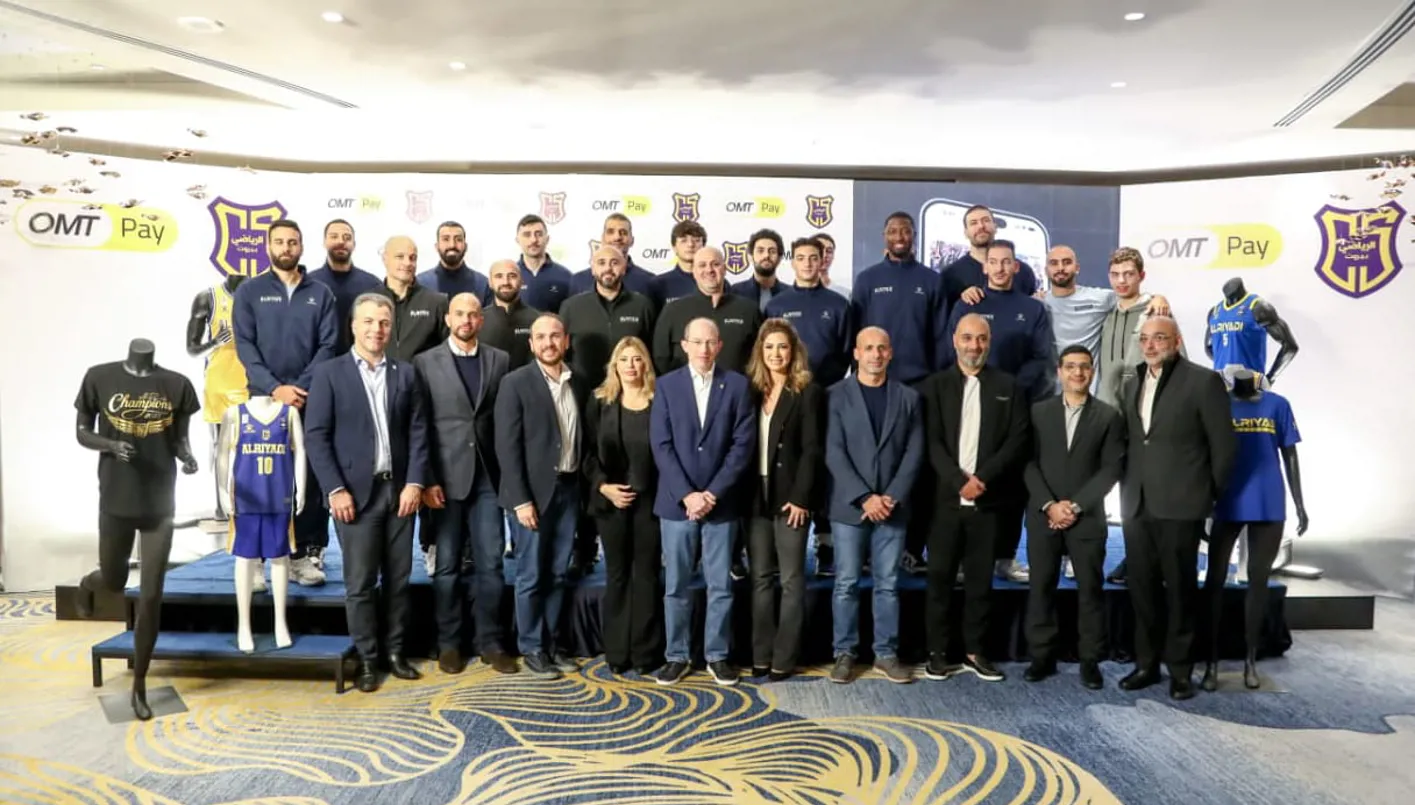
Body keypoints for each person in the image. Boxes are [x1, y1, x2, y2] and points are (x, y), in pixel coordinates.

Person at [303, 292, 430, 693]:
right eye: (369, 322)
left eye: (384, 323)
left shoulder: (406, 373)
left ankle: (395, 653)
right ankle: (368, 660)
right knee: (359, 584)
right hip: (354, 498)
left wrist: (415, 482)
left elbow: (419, 432)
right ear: (354, 326)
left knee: (399, 580)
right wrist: (335, 489)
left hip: (400, 493)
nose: (377, 329)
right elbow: (316, 436)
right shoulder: (329, 373)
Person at [73, 338, 200, 720]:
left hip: (160, 503)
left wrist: (188, 456)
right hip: (117, 499)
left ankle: (139, 685)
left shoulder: (177, 385)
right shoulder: (99, 377)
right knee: (114, 581)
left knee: (151, 596)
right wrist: (111, 445)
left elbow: (179, 438)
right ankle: (89, 583)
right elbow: (82, 432)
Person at [1117, 316, 1236, 701]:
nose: (1150, 345)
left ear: (1177, 340)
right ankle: (1146, 665)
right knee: (1142, 590)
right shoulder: (1132, 382)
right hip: (1137, 504)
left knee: (1181, 592)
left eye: (1159, 338)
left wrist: (1207, 496)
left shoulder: (1203, 381)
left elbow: (1224, 448)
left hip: (1183, 506)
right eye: (1145, 339)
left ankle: (1181, 671)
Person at [919, 313, 1030, 684]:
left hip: (989, 502)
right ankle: (937, 653)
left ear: (989, 342)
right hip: (944, 503)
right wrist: (958, 481)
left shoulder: (1009, 386)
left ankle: (975, 651)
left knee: (981, 583)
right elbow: (931, 441)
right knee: (939, 580)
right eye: (967, 338)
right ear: (954, 340)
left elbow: (1017, 440)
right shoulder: (933, 386)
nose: (974, 346)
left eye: (981, 338)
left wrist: (982, 479)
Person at [413, 293, 516, 675]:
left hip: (488, 476)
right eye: (459, 314)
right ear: (447, 318)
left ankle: (491, 643)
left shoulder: (500, 360)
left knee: (491, 564)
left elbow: (504, 420)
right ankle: (450, 644)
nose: (466, 320)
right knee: (447, 567)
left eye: (473, 314)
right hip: (444, 479)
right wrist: (426, 479)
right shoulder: (425, 362)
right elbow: (420, 425)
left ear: (481, 320)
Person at [232, 218, 338, 587]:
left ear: (301, 246)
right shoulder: (250, 291)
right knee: (262, 480)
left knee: (307, 479)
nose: (286, 248)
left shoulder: (321, 293)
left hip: (309, 400)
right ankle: (260, 558)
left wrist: (300, 389)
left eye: (292, 242)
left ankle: (302, 554)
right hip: (263, 401)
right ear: (268, 246)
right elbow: (245, 347)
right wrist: (276, 388)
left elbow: (329, 345)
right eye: (279, 242)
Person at [650, 318, 756, 687]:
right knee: (676, 585)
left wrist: (711, 494)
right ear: (684, 345)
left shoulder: (738, 386)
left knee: (720, 586)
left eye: (710, 342)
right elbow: (661, 445)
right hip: (676, 504)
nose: (704, 349)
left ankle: (717, 655)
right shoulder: (666, 385)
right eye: (697, 342)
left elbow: (742, 446)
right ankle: (676, 656)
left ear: (720, 345)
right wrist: (688, 494)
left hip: (720, 504)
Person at [851, 212, 949, 576]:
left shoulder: (932, 281)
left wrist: (934, 384)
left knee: (917, 469)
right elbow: (856, 335)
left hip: (919, 387)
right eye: (892, 230)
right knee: (872, 465)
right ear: (884, 235)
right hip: (874, 385)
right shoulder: (867, 280)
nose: (899, 236)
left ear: (914, 235)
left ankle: (912, 549)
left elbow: (942, 338)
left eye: (905, 231)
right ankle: (864, 548)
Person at [1021, 345, 1124, 690]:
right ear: (1059, 371)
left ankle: (1090, 660)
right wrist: (1049, 505)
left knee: (1091, 591)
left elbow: (1111, 469)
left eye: (1084, 367)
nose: (1077, 373)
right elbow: (1028, 464)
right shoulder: (1038, 412)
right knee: (1041, 588)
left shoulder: (1108, 416)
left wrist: (1075, 506)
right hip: (1043, 516)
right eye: (1071, 367)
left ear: (1092, 372)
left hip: (1087, 518)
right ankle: (1041, 656)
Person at [824, 327, 921, 684]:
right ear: (856, 353)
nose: (875, 355)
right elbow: (833, 451)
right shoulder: (834, 395)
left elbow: (914, 452)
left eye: (882, 348)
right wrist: (865, 497)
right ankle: (844, 653)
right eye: (868, 348)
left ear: (890, 353)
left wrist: (890, 496)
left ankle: (886, 653)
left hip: (892, 508)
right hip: (850, 507)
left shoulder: (909, 397)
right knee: (846, 583)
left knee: (888, 584)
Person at [1201, 369, 1308, 692]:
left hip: (1268, 499)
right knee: (1214, 581)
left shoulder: (1278, 405)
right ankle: (1211, 661)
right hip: (1227, 499)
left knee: (1258, 581)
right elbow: (1205, 455)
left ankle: (1250, 660)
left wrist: (1300, 503)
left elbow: (1290, 455)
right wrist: (1204, 504)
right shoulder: (1219, 404)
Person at [494, 314, 588, 679]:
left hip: (568, 489)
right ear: (531, 344)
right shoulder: (515, 383)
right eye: (541, 337)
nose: (549, 343)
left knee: (558, 573)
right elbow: (507, 447)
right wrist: (521, 501)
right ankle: (532, 647)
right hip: (531, 496)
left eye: (555, 336)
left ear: (566, 341)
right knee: (531, 575)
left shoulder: (578, 381)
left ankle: (552, 644)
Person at [745, 319, 823, 681]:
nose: (776, 354)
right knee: (760, 577)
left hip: (791, 498)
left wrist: (802, 498)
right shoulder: (750, 390)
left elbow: (812, 450)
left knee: (791, 580)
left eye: (783, 347)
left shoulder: (807, 391)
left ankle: (784, 657)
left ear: (794, 352)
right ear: (760, 351)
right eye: (769, 347)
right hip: (755, 496)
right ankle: (760, 655)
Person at [582, 336, 663, 675]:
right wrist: (604, 487)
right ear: (614, 365)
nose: (631, 365)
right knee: (617, 575)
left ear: (646, 364)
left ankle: (645, 654)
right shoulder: (600, 400)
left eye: (637, 359)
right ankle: (617, 653)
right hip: (611, 500)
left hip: (651, 501)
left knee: (646, 574)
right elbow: (586, 451)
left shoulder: (661, 400)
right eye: (624, 359)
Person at [217, 394, 304, 655]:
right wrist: (222, 491)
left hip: (279, 497)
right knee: (244, 559)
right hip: (246, 500)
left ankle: (280, 623)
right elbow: (221, 456)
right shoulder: (235, 413)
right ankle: (244, 625)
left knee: (280, 557)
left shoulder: (288, 414)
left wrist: (301, 488)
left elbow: (301, 452)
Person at [653, 246, 762, 375]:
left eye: (715, 264)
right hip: (685, 387)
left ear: (725, 269)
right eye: (702, 265)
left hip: (738, 387)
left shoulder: (748, 310)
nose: (709, 270)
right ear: (694, 272)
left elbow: (760, 358)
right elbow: (661, 359)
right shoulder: (673, 311)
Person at [940, 204, 1038, 308]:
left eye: (986, 220)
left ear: (995, 227)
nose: (981, 226)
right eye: (974, 223)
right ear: (966, 232)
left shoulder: (1023, 271)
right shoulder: (950, 275)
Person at [307, 218, 381, 356]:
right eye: (334, 236)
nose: (341, 241)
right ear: (324, 242)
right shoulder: (308, 283)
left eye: (347, 238)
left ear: (354, 244)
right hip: (318, 363)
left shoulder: (372, 285)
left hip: (362, 363)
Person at [371, 235, 449, 361]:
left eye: (412, 258)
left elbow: (447, 352)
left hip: (422, 373)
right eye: (400, 256)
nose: (407, 263)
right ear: (385, 259)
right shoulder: (368, 302)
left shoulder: (437, 302)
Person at [569, 213, 664, 310]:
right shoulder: (579, 281)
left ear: (632, 240)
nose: (617, 237)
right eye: (610, 232)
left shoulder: (649, 281)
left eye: (623, 232)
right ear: (602, 238)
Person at [416, 220, 492, 305]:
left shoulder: (483, 285)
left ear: (465, 246)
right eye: (446, 239)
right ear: (437, 246)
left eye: (458, 239)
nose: (452, 245)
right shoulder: (420, 283)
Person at [514, 214, 574, 313]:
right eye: (527, 235)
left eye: (539, 234)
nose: (533, 240)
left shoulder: (565, 276)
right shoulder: (509, 276)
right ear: (517, 240)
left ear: (547, 239)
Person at [730, 229, 786, 312]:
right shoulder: (735, 292)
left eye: (772, 251)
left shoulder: (790, 294)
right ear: (750, 257)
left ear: (779, 258)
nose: (766, 255)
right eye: (760, 251)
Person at [659, 220, 707, 303]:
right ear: (674, 247)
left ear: (704, 246)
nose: (690, 245)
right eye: (684, 240)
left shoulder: (718, 282)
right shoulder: (659, 284)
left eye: (696, 240)